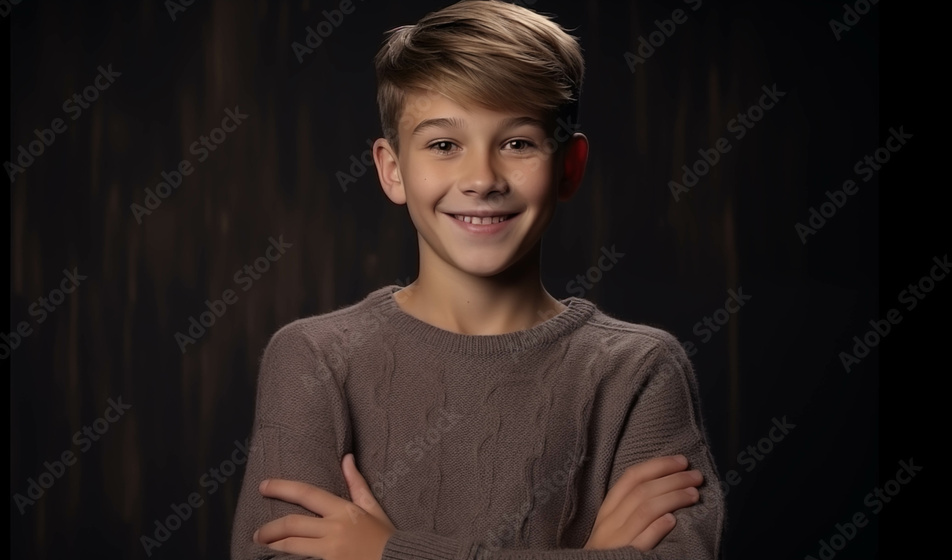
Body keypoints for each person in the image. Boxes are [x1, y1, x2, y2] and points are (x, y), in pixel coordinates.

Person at [231, 1, 725, 558]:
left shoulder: (638, 371)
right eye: (444, 145)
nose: (482, 179)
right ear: (393, 169)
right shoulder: (314, 359)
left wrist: (389, 552)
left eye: (518, 143)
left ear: (569, 167)